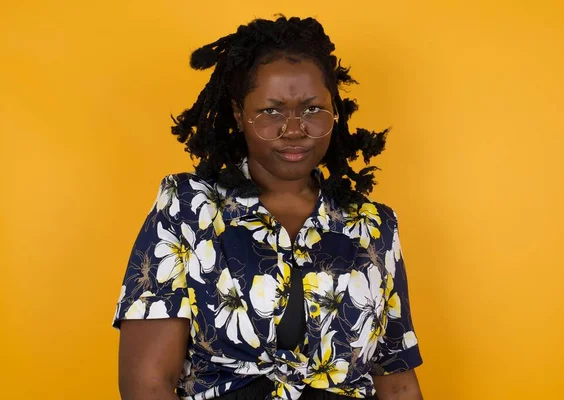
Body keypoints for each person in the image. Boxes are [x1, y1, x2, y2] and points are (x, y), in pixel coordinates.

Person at [113, 15, 423, 400]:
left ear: (334, 111)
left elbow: (397, 382)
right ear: (240, 114)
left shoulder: (374, 225)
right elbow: (147, 384)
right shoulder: (189, 208)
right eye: (271, 110)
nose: (294, 128)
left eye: (312, 109)